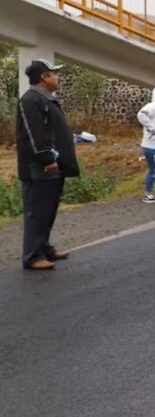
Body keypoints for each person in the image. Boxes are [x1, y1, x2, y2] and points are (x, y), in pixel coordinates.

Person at [16, 60, 78, 271]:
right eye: (54, 73)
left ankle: (44, 248)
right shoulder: (31, 99)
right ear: (44, 77)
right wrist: (47, 159)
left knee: (48, 210)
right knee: (37, 211)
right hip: (39, 168)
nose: (57, 77)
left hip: (53, 166)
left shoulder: (46, 99)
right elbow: (34, 134)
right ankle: (32, 256)